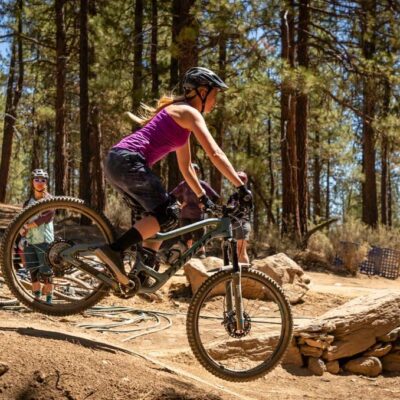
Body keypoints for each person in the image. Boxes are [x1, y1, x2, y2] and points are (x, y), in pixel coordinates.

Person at [95, 67, 252, 283]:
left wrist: (202, 197)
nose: (215, 102)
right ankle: (114, 251)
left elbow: (186, 168)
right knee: (168, 213)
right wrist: (241, 187)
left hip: (118, 161)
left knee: (158, 218)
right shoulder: (189, 113)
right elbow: (215, 154)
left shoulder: (181, 119)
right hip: (128, 161)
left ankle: (141, 273)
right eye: (214, 95)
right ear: (202, 92)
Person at [20, 169, 55, 304]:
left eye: (43, 180)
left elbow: (44, 219)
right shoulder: (27, 203)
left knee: (46, 271)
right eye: (37, 179)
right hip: (29, 241)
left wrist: (26, 226)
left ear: (46, 182)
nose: (40, 182)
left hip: (44, 241)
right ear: (32, 182)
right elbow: (21, 221)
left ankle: (49, 300)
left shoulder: (50, 200)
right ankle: (37, 298)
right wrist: (22, 234)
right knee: (33, 271)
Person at [171, 163, 219, 258]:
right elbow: (172, 195)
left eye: (194, 170)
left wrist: (205, 204)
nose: (192, 172)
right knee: (186, 237)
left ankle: (201, 254)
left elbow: (215, 197)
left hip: (198, 215)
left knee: (199, 237)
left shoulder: (202, 184)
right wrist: (179, 204)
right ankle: (188, 256)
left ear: (197, 172)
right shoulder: (183, 184)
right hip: (184, 215)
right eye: (190, 170)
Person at [227, 171, 252, 264]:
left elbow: (247, 207)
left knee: (241, 251)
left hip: (243, 223)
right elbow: (228, 207)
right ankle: (236, 270)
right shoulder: (233, 195)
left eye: (242, 179)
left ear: (245, 181)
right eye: (238, 178)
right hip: (232, 223)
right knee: (235, 251)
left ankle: (246, 271)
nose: (240, 180)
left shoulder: (247, 193)